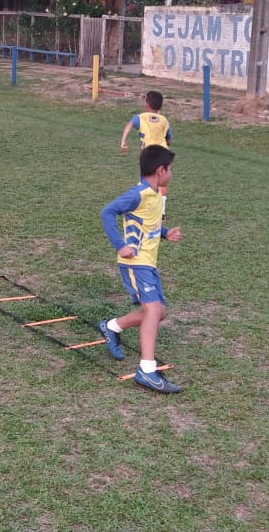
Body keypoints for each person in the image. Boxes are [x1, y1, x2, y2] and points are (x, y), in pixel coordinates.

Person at [96, 144, 183, 394]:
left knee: (159, 313)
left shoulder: (155, 194)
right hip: (135, 262)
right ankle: (146, 370)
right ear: (160, 170)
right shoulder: (139, 193)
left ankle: (111, 327)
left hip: (148, 262)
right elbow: (107, 212)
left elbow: (148, 223)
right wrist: (120, 245)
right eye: (170, 169)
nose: (171, 173)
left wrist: (166, 233)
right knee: (153, 310)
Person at [120, 90, 172, 216]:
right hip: (164, 154)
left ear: (146, 104)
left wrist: (123, 141)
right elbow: (169, 138)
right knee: (162, 181)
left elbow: (129, 125)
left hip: (149, 155)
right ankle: (162, 210)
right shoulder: (164, 120)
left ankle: (142, 203)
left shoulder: (140, 117)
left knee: (145, 180)